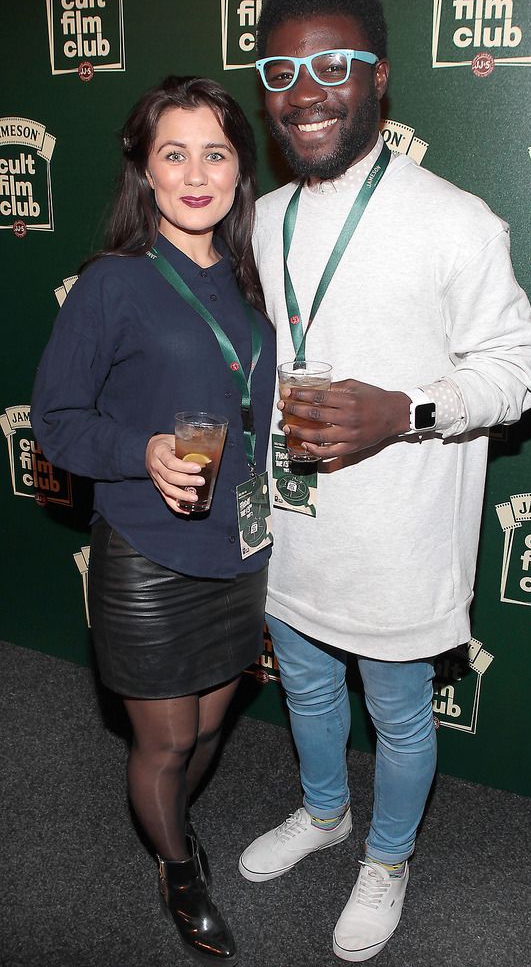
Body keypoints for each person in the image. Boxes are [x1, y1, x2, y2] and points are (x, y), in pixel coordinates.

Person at [237, 0, 531, 962]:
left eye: (332, 63)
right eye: (281, 68)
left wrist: (402, 411)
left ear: (378, 77)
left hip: (400, 534)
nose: (305, 89)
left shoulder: (454, 220)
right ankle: (325, 811)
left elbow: (517, 368)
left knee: (400, 714)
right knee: (309, 687)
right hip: (294, 525)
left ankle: (388, 852)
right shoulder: (261, 217)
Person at [31, 75, 276, 966]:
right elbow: (53, 423)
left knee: (211, 726)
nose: (197, 172)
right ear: (144, 167)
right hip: (147, 546)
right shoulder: (113, 284)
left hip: (236, 542)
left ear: (240, 168)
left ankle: (174, 819)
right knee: (165, 736)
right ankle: (178, 866)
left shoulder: (251, 282)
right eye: (174, 152)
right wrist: (144, 452)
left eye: (216, 152)